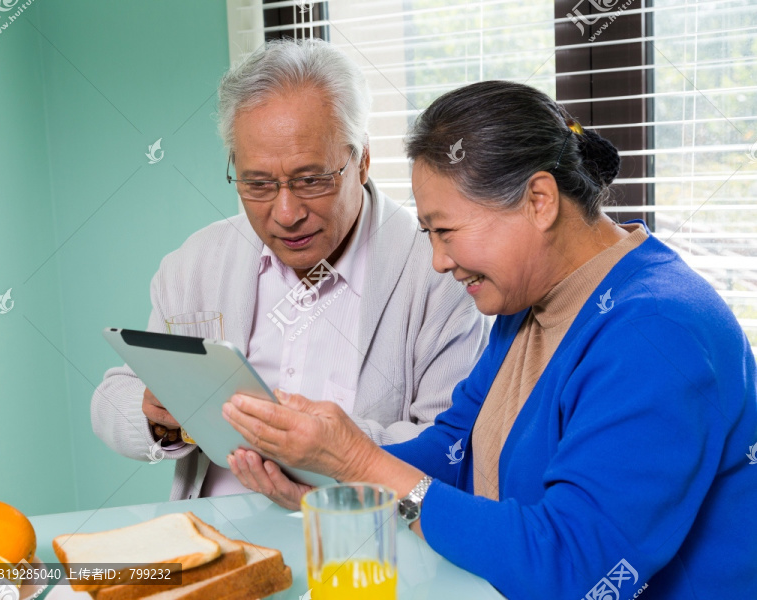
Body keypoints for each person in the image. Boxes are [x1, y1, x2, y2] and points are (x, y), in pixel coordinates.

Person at [222, 80, 757, 599]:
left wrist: (362, 465)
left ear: (539, 201)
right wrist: (338, 481)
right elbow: (455, 452)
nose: (438, 261)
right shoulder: (530, 302)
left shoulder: (658, 331)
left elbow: (573, 569)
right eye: (428, 235)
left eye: (447, 231)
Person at [90, 39, 490, 503]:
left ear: (360, 160)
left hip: (363, 539)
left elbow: (450, 449)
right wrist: (155, 416)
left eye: (310, 180)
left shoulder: (439, 269)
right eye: (258, 184)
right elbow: (113, 398)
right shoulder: (194, 263)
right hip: (220, 539)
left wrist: (330, 449)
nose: (285, 213)